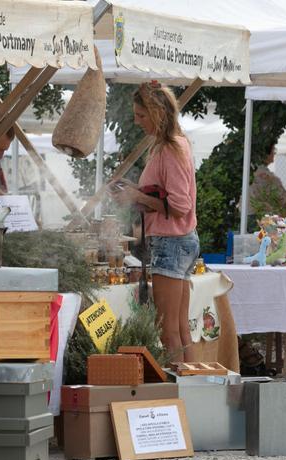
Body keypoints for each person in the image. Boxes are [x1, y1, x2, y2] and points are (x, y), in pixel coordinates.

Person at [109, 82, 199, 362]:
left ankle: (177, 396)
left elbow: (180, 206)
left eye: (141, 115)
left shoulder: (170, 148)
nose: (137, 121)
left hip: (171, 242)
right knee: (182, 330)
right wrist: (138, 193)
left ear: (158, 113)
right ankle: (192, 393)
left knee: (168, 331)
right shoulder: (177, 143)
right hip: (181, 240)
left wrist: (138, 196)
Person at [247, 141, 286, 225]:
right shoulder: (267, 177)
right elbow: (285, 202)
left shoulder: (248, 172)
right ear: (266, 154)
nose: (274, 153)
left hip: (247, 218)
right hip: (264, 221)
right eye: (273, 150)